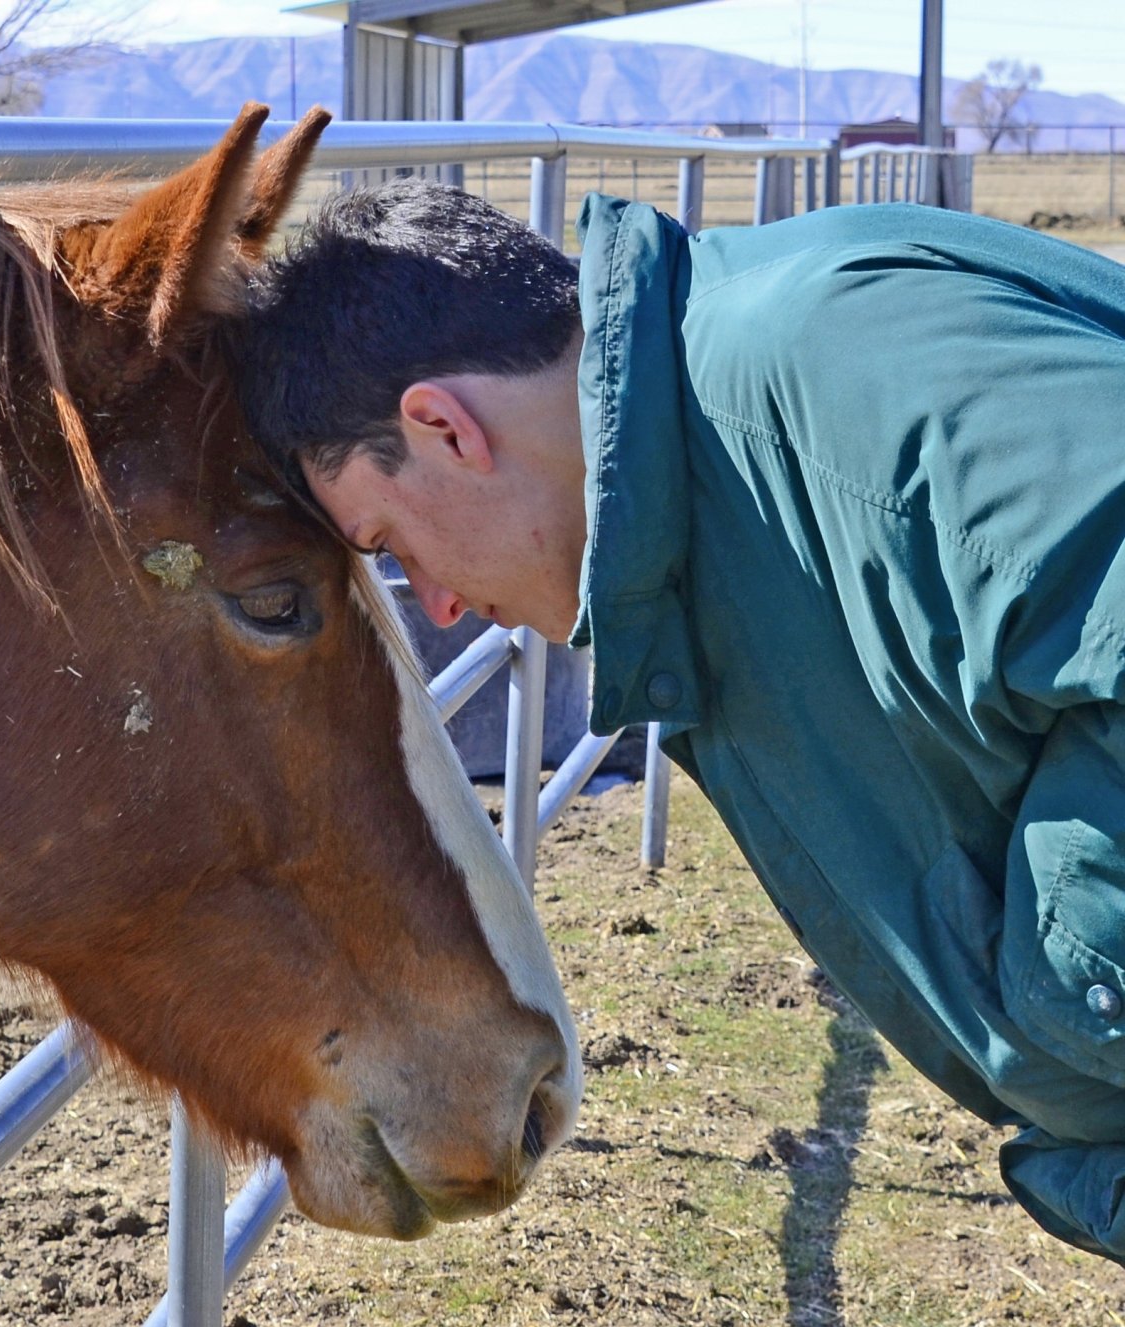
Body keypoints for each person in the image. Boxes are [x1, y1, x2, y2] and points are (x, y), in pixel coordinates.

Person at [238, 181, 1125, 1265]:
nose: (438, 605)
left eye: (390, 545)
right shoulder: (718, 479)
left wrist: (1076, 989)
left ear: (441, 428)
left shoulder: (840, 369)